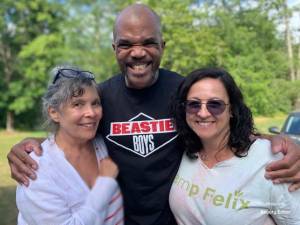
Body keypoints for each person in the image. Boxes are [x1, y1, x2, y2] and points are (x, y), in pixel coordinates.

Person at [7, 4, 300, 225]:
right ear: (114, 49)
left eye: (148, 42)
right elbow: (73, 129)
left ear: (162, 46)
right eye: (126, 44)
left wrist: (279, 143)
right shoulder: (101, 98)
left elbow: (217, 121)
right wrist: (32, 145)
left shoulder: (184, 91)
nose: (137, 53)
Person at [169, 68, 300, 225]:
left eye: (215, 104)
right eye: (194, 104)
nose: (203, 113)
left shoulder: (270, 160)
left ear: (231, 109)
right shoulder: (185, 150)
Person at [16, 67, 123, 225]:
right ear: (54, 112)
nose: (91, 113)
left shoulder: (101, 143)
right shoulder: (35, 171)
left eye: (95, 103)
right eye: (78, 104)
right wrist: (105, 183)